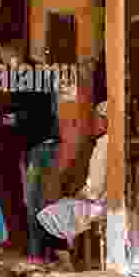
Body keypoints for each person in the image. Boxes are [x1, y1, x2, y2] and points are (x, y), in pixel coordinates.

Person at [0, 41, 60, 264]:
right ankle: (43, 252)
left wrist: (13, 119)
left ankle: (37, 254)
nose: (2, 60)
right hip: (38, 145)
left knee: (35, 201)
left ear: (11, 51)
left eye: (3, 54)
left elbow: (38, 114)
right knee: (36, 200)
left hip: (40, 145)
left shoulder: (30, 76)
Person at [37, 101, 108, 262]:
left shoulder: (103, 144)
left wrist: (78, 194)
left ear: (104, 120)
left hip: (97, 204)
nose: (95, 123)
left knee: (47, 216)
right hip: (100, 201)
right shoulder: (103, 143)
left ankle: (66, 264)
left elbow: (94, 187)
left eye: (97, 119)